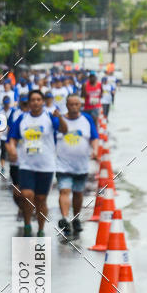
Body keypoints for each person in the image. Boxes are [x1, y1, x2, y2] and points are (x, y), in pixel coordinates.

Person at [6, 88, 67, 236]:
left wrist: (61, 118)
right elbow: (11, 138)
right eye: (33, 100)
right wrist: (12, 149)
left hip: (46, 165)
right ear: (30, 102)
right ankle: (27, 224)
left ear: (43, 102)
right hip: (26, 164)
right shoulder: (22, 119)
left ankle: (40, 228)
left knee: (41, 199)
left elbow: (64, 130)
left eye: (38, 100)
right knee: (26, 194)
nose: (35, 102)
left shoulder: (49, 117)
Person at [56, 94, 99, 236]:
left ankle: (75, 218)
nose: (74, 107)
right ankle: (65, 218)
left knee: (78, 193)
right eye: (71, 104)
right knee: (64, 191)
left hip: (81, 165)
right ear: (67, 105)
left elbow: (94, 138)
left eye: (77, 104)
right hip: (62, 164)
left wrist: (95, 150)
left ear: (80, 105)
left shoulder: (87, 119)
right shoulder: (60, 120)